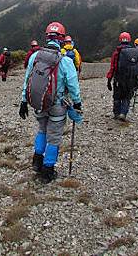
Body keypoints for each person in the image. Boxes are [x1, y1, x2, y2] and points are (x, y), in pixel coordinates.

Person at [19, 21, 82, 183]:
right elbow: (73, 85)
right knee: (54, 136)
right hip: (57, 105)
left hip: (38, 102)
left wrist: (23, 101)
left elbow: (27, 80)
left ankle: (37, 161)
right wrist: (77, 103)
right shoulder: (65, 61)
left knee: (42, 130)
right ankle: (48, 170)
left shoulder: (35, 56)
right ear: (61, 39)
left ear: (47, 37)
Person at [106, 32, 138, 121]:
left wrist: (109, 80)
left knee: (117, 97)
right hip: (130, 79)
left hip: (119, 79)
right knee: (127, 97)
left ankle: (117, 114)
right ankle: (123, 113)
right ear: (129, 40)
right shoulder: (134, 52)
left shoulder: (117, 52)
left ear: (120, 40)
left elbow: (112, 67)